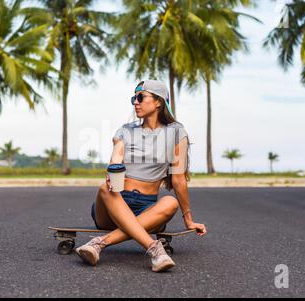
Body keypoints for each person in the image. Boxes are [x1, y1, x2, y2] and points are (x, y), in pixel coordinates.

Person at [76, 80, 207, 272]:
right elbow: (117, 156)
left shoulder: (176, 132)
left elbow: (178, 179)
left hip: (146, 208)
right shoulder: (125, 130)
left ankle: (98, 244)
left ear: (158, 102)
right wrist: (113, 169)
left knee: (171, 202)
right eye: (134, 99)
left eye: (140, 97)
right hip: (114, 204)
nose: (135, 102)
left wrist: (188, 219)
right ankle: (155, 250)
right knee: (105, 188)